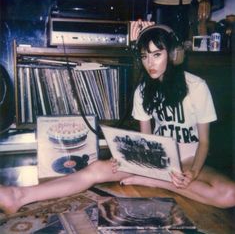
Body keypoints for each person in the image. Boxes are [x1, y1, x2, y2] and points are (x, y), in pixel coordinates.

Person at [1, 21, 235, 215]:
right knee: (97, 168)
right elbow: (147, 139)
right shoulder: (143, 90)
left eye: (156, 54)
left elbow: (204, 142)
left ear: (173, 54)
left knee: (229, 194)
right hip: (159, 158)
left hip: (189, 156)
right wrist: (128, 156)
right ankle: (18, 195)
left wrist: (192, 172)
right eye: (144, 56)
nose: (150, 63)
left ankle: (156, 182)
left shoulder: (196, 87)